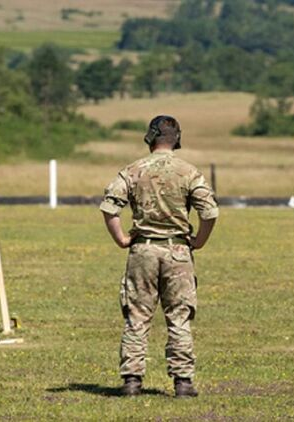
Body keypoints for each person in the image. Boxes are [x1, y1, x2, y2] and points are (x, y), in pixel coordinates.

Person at [99, 115, 218, 397]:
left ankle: (131, 381)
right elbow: (210, 212)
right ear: (177, 139)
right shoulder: (189, 172)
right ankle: (183, 382)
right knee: (178, 317)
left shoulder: (133, 169)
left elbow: (109, 207)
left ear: (150, 137)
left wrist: (122, 239)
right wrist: (198, 241)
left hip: (142, 250)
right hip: (178, 251)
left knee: (137, 316)